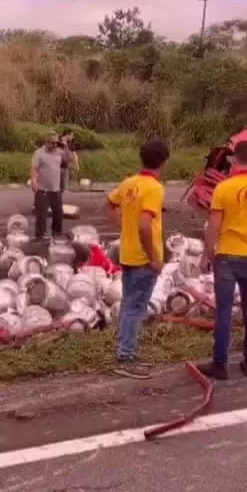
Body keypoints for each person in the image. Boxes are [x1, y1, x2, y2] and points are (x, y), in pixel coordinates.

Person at [198, 140, 247, 380]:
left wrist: (208, 253)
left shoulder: (224, 188)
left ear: (233, 160)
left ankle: (220, 365)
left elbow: (213, 225)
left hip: (227, 255)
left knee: (223, 311)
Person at [105, 140, 170, 380]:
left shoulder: (129, 183)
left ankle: (125, 349)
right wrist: (154, 258)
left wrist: (123, 228)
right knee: (135, 307)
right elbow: (145, 224)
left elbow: (110, 204)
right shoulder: (154, 188)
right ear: (163, 162)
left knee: (128, 304)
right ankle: (125, 355)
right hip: (144, 258)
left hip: (128, 254)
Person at [31, 135, 64, 241]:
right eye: (52, 143)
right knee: (41, 214)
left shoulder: (59, 152)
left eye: (56, 143)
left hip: (56, 189)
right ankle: (40, 236)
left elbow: (70, 159)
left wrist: (66, 146)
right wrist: (34, 181)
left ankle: (57, 233)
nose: (55, 145)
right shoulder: (39, 153)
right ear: (46, 142)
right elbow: (34, 168)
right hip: (43, 190)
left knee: (58, 213)